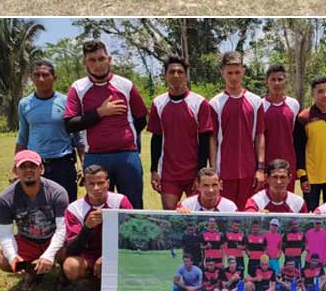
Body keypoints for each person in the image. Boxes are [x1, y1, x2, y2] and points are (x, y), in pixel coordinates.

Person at [64, 40, 149, 207]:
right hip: (95, 156)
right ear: (85, 62)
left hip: (126, 155)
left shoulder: (125, 85)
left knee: (133, 206)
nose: (98, 64)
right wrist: (100, 113)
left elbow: (140, 119)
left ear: (109, 59)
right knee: (98, 206)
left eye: (101, 59)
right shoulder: (78, 88)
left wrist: (124, 137)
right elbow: (70, 124)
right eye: (92, 60)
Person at [148, 55, 214, 210]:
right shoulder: (158, 103)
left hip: (193, 172)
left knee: (196, 217)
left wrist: (201, 173)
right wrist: (153, 171)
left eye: (180, 72)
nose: (176, 75)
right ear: (165, 75)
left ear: (186, 75)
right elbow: (156, 138)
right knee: (171, 217)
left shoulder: (199, 102)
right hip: (169, 172)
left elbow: (204, 140)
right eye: (171, 72)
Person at [0, 150, 69, 285]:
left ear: (41, 169)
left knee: (69, 249)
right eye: (23, 167)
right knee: (3, 260)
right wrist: (13, 257)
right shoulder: (4, 199)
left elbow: (62, 230)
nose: (28, 170)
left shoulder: (57, 192)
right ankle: (30, 270)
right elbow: (5, 235)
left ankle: (64, 272)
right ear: (15, 171)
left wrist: (49, 254)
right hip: (27, 240)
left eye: (33, 166)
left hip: (52, 238)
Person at [17, 60, 84, 203]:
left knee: (67, 204)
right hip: (35, 164)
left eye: (46, 75)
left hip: (63, 163)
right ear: (32, 78)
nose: (41, 79)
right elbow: (23, 137)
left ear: (54, 78)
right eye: (37, 75)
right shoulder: (24, 104)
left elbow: (78, 137)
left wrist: (84, 165)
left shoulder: (67, 102)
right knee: (38, 206)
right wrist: (15, 167)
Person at [209, 51, 264, 209]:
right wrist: (214, 170)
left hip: (249, 170)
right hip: (224, 171)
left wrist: (260, 168)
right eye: (230, 73)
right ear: (222, 73)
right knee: (226, 216)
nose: (234, 77)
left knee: (248, 215)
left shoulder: (255, 102)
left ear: (243, 71)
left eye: (237, 72)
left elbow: (260, 136)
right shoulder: (215, 103)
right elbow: (212, 139)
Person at [62, 165, 131, 285]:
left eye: (100, 183)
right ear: (84, 184)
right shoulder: (75, 209)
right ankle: (93, 280)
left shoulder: (120, 201)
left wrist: (108, 256)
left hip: (118, 253)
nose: (96, 188)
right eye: (91, 184)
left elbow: (131, 235)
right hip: (90, 255)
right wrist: (87, 227)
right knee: (71, 265)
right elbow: (72, 250)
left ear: (108, 183)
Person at [295, 75, 326, 210]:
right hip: (312, 178)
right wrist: (303, 177)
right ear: (313, 93)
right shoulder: (303, 117)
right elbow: (298, 148)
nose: (325, 95)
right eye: (320, 91)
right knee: (312, 216)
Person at [258, 64, 301, 192]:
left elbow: (295, 135)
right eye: (273, 79)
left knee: (287, 197)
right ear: (266, 82)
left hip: (288, 160)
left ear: (285, 82)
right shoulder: (259, 105)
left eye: (280, 79)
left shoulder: (294, 104)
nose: (277, 83)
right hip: (266, 162)